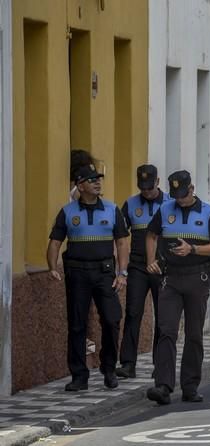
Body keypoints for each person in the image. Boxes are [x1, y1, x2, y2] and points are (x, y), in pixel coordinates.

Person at [145, 170, 210, 405]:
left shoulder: (208, 212)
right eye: (176, 195)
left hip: (196, 278)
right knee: (166, 330)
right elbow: (150, 235)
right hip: (170, 279)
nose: (179, 199)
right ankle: (163, 385)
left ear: (192, 189)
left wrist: (193, 249)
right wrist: (150, 260)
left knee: (193, 334)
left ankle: (190, 386)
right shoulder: (165, 209)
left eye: (183, 194)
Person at [47, 163, 129, 391]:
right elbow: (55, 242)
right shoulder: (68, 212)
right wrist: (52, 266)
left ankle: (109, 368)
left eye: (98, 179)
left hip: (105, 273)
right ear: (80, 185)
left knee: (112, 320)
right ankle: (79, 375)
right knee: (77, 324)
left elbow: (122, 242)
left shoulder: (112, 210)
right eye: (92, 180)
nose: (97, 183)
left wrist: (122, 273)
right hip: (77, 274)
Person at [116, 165, 170, 379]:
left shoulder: (169, 204)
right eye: (142, 187)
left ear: (158, 182)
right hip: (137, 266)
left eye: (150, 187)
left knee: (163, 316)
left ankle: (160, 364)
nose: (146, 191)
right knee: (132, 313)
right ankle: (128, 363)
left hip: (162, 267)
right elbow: (120, 235)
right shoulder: (130, 204)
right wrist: (120, 268)